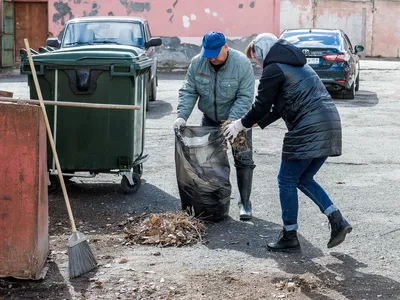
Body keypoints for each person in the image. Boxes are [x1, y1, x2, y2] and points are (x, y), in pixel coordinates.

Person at [223, 33, 352, 251]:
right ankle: (337, 220)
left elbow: (261, 105)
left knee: (286, 181)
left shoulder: (273, 69)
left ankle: (290, 235)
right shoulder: (296, 65)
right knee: (303, 178)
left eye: (256, 58)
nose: (258, 63)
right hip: (329, 125)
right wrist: (255, 123)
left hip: (308, 129)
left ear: (262, 51)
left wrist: (239, 125)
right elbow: (279, 105)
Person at [173, 31, 256, 220]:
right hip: (210, 119)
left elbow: (245, 97)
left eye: (215, 54)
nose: (211, 59)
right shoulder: (198, 63)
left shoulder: (241, 64)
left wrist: (233, 123)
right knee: (210, 161)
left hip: (237, 121)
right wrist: (181, 116)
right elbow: (189, 90)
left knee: (243, 159)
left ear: (225, 47)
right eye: (208, 54)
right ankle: (215, 199)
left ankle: (244, 202)